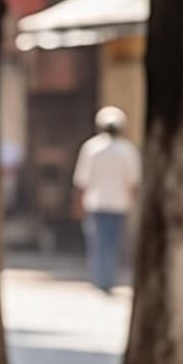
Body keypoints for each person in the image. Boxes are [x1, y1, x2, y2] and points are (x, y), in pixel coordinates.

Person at [73, 106, 141, 293]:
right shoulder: (128, 150)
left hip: (96, 203)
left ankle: (100, 278)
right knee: (112, 242)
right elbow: (133, 182)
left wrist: (78, 203)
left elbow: (81, 180)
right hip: (119, 204)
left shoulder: (92, 148)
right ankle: (108, 278)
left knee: (98, 242)